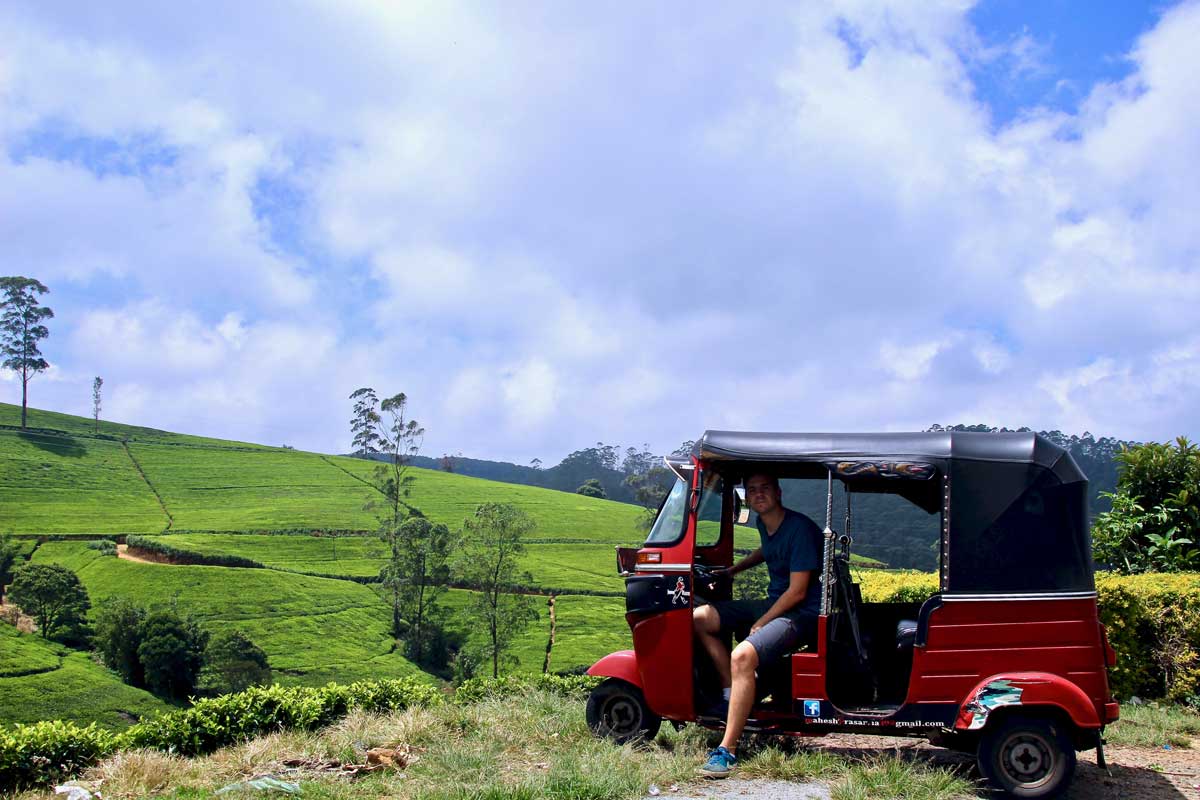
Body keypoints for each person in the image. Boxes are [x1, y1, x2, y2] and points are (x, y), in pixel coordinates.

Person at [692, 473, 823, 778]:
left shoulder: (799, 529)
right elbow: (768, 550)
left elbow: (798, 592)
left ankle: (727, 751)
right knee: (700, 619)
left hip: (801, 613)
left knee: (742, 656)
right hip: (775, 604)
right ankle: (730, 693)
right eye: (752, 490)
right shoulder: (766, 524)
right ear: (747, 499)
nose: (759, 494)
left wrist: (762, 622)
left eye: (764, 488)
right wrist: (733, 570)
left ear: (778, 492)